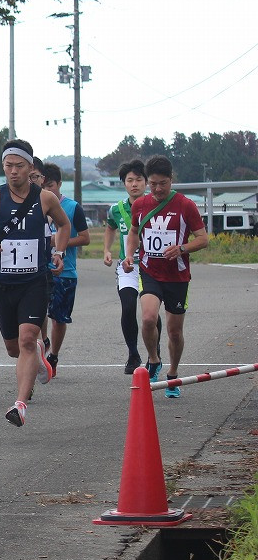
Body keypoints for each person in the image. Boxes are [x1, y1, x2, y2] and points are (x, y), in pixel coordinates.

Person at [0, 139, 71, 427]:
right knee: (14, 347)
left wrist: (58, 252)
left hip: (36, 281)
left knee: (26, 339)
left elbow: (64, 225)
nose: (13, 171)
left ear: (30, 167)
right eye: (8, 166)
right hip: (4, 282)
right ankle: (36, 354)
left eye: (19, 166)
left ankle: (20, 404)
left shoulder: (45, 198)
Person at [121, 155, 208, 399]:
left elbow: (203, 239)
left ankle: (173, 373)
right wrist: (129, 256)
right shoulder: (140, 205)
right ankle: (154, 359)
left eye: (163, 184)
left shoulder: (185, 205)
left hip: (178, 276)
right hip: (149, 271)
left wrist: (182, 248)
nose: (158, 189)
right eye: (154, 184)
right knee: (148, 318)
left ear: (171, 180)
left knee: (174, 332)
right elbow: (134, 234)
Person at [38, 162, 89, 374]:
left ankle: (54, 355)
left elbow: (85, 239)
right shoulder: (34, 206)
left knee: (58, 318)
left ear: (60, 184)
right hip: (39, 270)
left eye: (51, 185)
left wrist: (59, 242)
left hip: (64, 272)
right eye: (44, 186)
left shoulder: (72, 207)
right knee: (37, 313)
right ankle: (41, 345)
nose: (47, 190)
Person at [103, 159, 151, 374]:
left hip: (151, 266)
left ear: (146, 182)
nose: (134, 184)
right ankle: (133, 353)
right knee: (129, 307)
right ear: (123, 183)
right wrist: (107, 250)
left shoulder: (155, 206)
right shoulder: (116, 209)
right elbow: (110, 227)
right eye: (129, 180)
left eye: (138, 180)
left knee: (151, 313)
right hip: (127, 266)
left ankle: (154, 352)